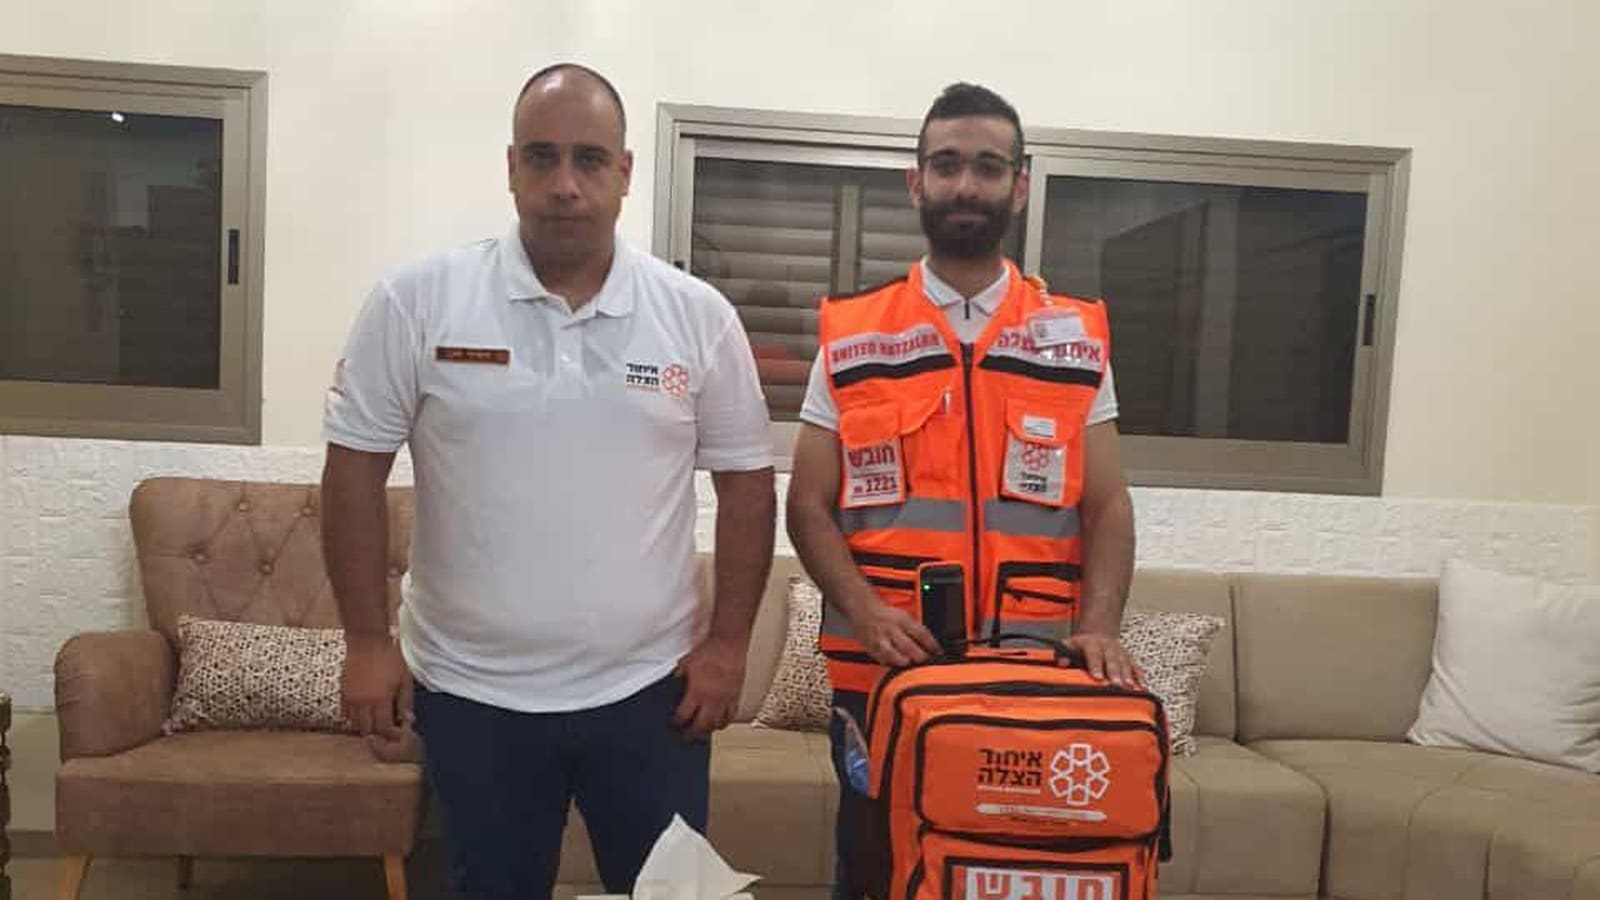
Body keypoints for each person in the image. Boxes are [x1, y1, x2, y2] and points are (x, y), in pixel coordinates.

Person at [321, 63, 776, 900]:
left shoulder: (695, 316)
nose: (565, 184)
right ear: (510, 167)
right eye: (542, 157)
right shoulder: (419, 300)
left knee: (672, 896)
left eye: (590, 160)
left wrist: (727, 647)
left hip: (651, 695)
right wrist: (366, 642)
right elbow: (352, 470)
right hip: (469, 695)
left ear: (626, 173)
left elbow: (749, 487)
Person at [784, 82, 1141, 900]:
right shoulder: (855, 332)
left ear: (1019, 184)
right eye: (946, 166)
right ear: (915, 182)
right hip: (886, 677)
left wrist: (1099, 627)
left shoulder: (1074, 336)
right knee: (874, 869)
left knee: (1013, 872)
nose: (966, 186)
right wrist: (868, 614)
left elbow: (1108, 504)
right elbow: (808, 504)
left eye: (987, 167)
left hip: (1036, 676)